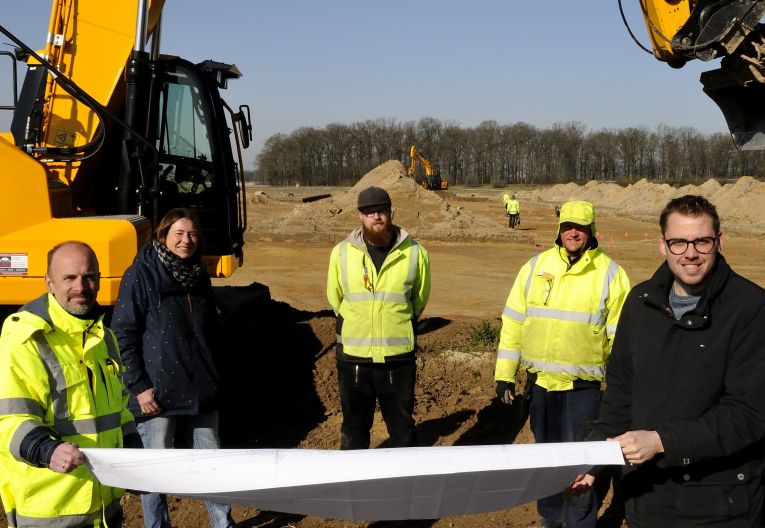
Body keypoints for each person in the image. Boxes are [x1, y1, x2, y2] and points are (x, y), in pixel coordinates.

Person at [572, 195, 765, 527]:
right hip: (647, 499)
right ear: (663, 245)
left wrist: (662, 441)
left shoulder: (749, 308)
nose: (690, 253)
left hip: (721, 506)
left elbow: (749, 415)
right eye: (678, 242)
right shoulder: (640, 302)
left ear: (719, 242)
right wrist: (592, 462)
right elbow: (619, 397)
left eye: (702, 242)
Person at [494, 200, 630, 528]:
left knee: (582, 465)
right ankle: (551, 520)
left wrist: (622, 393)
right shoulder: (535, 267)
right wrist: (504, 375)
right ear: (559, 229)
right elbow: (513, 322)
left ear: (591, 230)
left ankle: (580, 523)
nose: (573, 232)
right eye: (568, 226)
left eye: (580, 227)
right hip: (539, 387)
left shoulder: (611, 274)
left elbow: (622, 341)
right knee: (548, 462)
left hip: (583, 392)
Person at [0, 241, 140, 528]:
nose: (81, 286)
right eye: (69, 278)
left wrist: (134, 457)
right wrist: (46, 449)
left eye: (89, 276)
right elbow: (9, 419)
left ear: (100, 280)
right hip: (49, 511)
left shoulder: (105, 337)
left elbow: (119, 411)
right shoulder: (25, 336)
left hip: (104, 509)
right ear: (49, 283)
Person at [111, 208, 236, 528]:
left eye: (192, 234)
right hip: (158, 390)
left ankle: (222, 523)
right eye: (179, 234)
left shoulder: (197, 273)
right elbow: (123, 332)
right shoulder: (141, 274)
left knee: (212, 463)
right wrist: (138, 386)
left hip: (201, 388)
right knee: (156, 469)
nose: (186, 241)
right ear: (163, 236)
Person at [327, 186, 431, 449]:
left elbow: (419, 299)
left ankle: (403, 486)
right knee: (354, 429)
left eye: (381, 211)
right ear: (359, 216)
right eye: (369, 212)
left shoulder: (415, 252)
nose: (376, 217)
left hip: (397, 359)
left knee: (402, 430)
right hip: (354, 359)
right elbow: (335, 298)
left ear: (390, 212)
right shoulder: (341, 253)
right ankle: (354, 484)